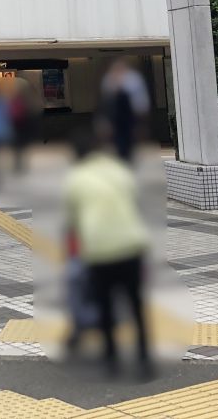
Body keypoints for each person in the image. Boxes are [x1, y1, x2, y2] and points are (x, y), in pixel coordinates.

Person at [63, 124, 152, 377]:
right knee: (135, 304)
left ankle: (112, 360)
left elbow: (73, 223)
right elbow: (135, 201)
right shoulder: (118, 170)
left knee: (105, 305)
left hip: (100, 249)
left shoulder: (76, 179)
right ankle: (144, 359)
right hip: (132, 244)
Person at [100, 57, 150, 162]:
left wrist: (141, 120)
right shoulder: (109, 80)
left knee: (129, 144)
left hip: (130, 118)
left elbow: (140, 101)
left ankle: (127, 160)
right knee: (118, 144)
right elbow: (105, 103)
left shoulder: (133, 80)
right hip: (116, 119)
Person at [9, 77, 42, 174]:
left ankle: (18, 163)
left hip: (16, 123)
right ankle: (21, 163)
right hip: (23, 123)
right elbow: (36, 108)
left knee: (18, 145)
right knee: (22, 145)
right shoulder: (29, 96)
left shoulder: (13, 98)